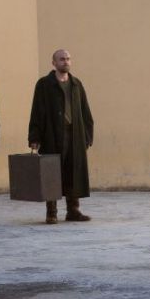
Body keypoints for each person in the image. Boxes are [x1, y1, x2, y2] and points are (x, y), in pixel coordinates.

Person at [28, 49, 94, 224]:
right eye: (62, 59)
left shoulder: (76, 85)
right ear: (54, 63)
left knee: (73, 172)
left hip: (74, 136)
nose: (66, 62)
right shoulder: (44, 85)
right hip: (52, 135)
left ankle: (73, 210)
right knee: (52, 173)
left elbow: (85, 112)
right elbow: (36, 112)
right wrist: (34, 138)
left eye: (68, 59)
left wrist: (87, 136)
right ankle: (52, 212)